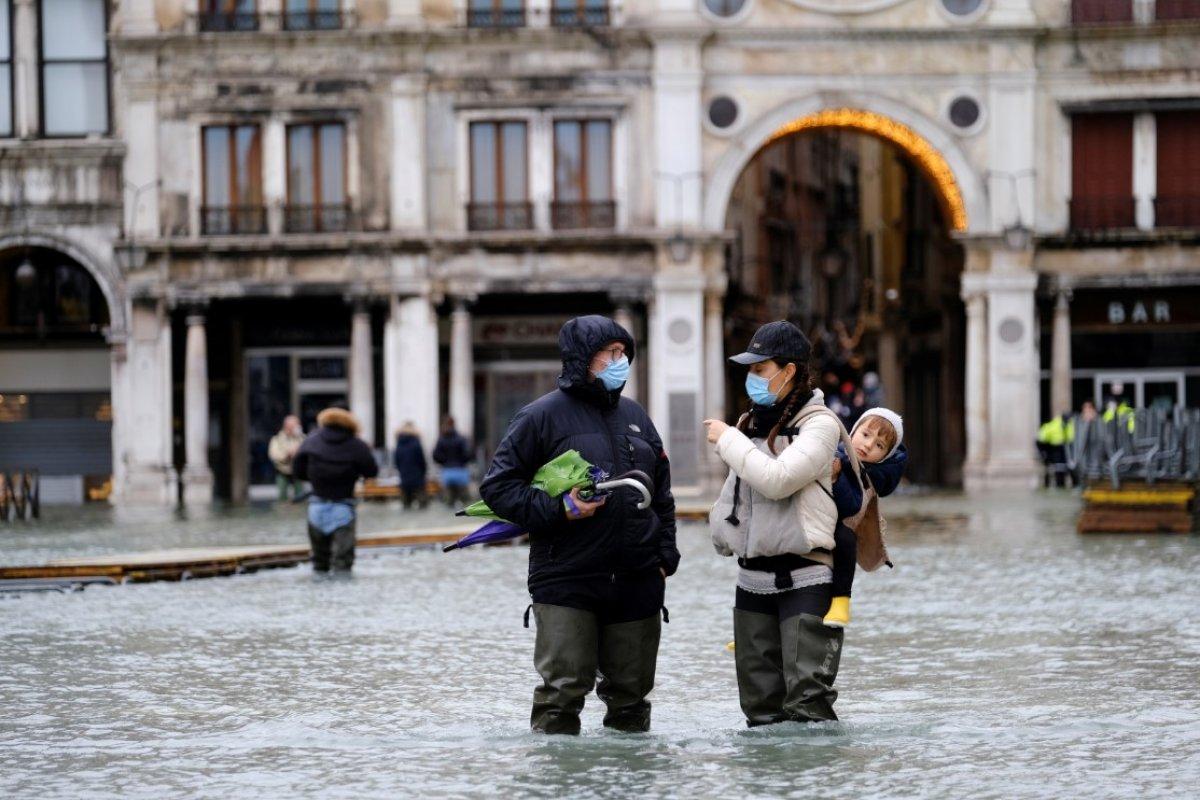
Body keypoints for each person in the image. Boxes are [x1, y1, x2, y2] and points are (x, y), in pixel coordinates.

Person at [479, 315, 679, 735]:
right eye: (610, 353)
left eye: (624, 353)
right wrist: (560, 509)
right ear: (582, 359)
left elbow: (662, 492)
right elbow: (498, 488)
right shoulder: (540, 416)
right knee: (562, 693)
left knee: (632, 696)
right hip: (567, 576)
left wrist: (665, 557)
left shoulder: (637, 415)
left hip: (637, 579)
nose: (620, 360)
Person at [704, 320, 845, 726]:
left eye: (760, 369)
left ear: (790, 371)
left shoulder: (820, 425)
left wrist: (728, 440)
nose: (751, 377)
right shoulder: (750, 423)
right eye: (749, 369)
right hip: (751, 578)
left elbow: (778, 481)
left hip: (807, 575)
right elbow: (735, 496)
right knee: (759, 710)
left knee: (808, 704)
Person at [825, 408, 907, 628]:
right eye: (866, 434)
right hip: (807, 523)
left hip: (838, 528)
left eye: (879, 445)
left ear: (885, 456)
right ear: (852, 431)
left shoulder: (868, 475)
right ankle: (754, 628)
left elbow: (850, 506)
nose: (869, 445)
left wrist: (836, 478)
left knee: (845, 538)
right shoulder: (829, 450)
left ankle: (841, 600)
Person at [292, 406, 379, 575]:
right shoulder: (357, 445)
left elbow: (297, 470)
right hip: (343, 507)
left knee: (319, 563)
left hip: (316, 507)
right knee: (343, 565)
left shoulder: (311, 441)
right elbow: (372, 472)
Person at [433, 416, 473, 507]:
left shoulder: (441, 439)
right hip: (461, 472)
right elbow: (468, 454)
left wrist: (444, 462)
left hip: (447, 472)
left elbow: (435, 455)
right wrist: (462, 461)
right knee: (466, 503)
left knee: (448, 502)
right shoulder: (461, 438)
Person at [268, 415, 305, 501]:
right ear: (287, 426)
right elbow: (274, 455)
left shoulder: (302, 438)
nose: (298, 427)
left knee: (300, 497)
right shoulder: (277, 439)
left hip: (298, 472)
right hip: (282, 472)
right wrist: (288, 454)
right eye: (295, 425)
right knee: (282, 498)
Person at [393, 422, 428, 509]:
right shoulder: (416, 443)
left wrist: (401, 470)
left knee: (406, 505)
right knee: (422, 505)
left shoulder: (399, 444)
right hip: (418, 476)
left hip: (404, 476)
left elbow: (397, 461)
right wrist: (423, 472)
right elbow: (422, 460)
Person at [1036, 410, 1075, 488]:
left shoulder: (1070, 424)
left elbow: (1071, 439)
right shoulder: (1054, 425)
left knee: (1063, 468)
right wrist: (1042, 452)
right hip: (1051, 447)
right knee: (1052, 468)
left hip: (1063, 447)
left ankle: (1061, 484)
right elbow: (1040, 439)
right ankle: (1051, 484)